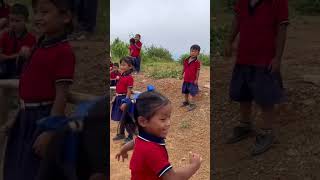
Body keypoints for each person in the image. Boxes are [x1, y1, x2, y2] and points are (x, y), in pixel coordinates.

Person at [3, 0, 76, 179]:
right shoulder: (40, 45)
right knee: (15, 169)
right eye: (36, 12)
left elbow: (61, 96)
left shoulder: (63, 52)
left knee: (33, 172)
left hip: (42, 119)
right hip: (25, 118)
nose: (37, 18)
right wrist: (16, 117)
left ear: (65, 17)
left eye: (44, 12)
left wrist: (49, 132)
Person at [224, 0, 289, 155]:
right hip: (244, 57)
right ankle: (245, 125)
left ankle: (267, 132)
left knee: (266, 97)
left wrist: (277, 58)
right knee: (243, 94)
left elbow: (282, 28)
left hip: (265, 59)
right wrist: (229, 40)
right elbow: (238, 20)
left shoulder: (278, 2)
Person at [116, 90, 202, 179]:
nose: (168, 123)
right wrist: (194, 166)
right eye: (163, 119)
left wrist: (123, 150)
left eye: (169, 117)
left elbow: (134, 142)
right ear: (143, 121)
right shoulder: (151, 149)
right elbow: (172, 178)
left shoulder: (144, 138)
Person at [0, 3, 36, 79]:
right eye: (12, 20)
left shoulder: (30, 38)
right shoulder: (6, 35)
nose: (13, 24)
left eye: (17, 21)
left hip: (18, 68)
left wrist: (8, 57)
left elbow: (28, 56)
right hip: (4, 66)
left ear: (26, 21)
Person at [111, 56, 134, 142]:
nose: (122, 66)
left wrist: (125, 102)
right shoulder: (121, 75)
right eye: (121, 64)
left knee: (126, 119)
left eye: (124, 65)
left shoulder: (129, 78)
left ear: (130, 66)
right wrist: (115, 97)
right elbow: (118, 87)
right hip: (119, 98)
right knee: (120, 118)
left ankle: (130, 136)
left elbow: (129, 91)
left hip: (124, 99)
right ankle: (121, 134)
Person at [181, 44, 201, 111]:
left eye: (195, 51)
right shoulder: (186, 60)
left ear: (198, 53)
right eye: (192, 51)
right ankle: (186, 102)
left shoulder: (197, 62)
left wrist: (196, 79)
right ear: (190, 51)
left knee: (193, 92)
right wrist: (181, 74)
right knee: (186, 91)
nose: (193, 53)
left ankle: (192, 104)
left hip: (192, 80)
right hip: (186, 79)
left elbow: (198, 71)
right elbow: (184, 68)